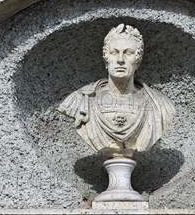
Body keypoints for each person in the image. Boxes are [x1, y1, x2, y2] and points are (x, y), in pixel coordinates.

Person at [58, 24, 175, 158]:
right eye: (114, 52)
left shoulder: (160, 105)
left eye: (128, 53)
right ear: (105, 58)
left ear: (138, 60)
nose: (120, 60)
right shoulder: (80, 99)